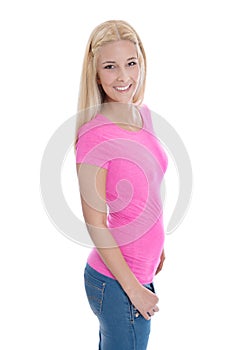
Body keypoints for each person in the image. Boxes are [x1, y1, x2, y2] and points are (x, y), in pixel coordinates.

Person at [75, 20, 168, 350]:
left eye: (131, 63)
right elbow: (96, 224)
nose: (124, 76)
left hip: (139, 273)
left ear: (142, 62)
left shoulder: (144, 115)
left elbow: (148, 189)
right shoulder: (93, 136)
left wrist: (159, 245)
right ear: (96, 74)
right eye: (110, 67)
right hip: (116, 284)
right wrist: (133, 290)